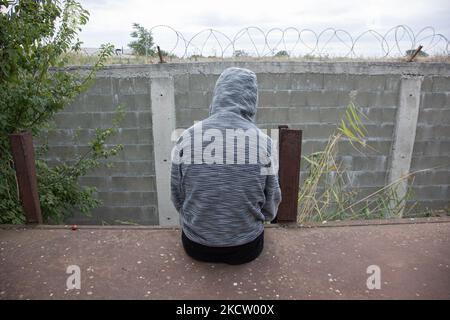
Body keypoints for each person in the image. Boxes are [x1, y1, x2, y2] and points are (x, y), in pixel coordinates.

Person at [170, 67, 281, 265]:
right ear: (252, 99)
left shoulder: (186, 137)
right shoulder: (264, 142)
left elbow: (177, 196)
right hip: (247, 247)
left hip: (196, 246)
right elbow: (271, 201)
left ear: (217, 96)